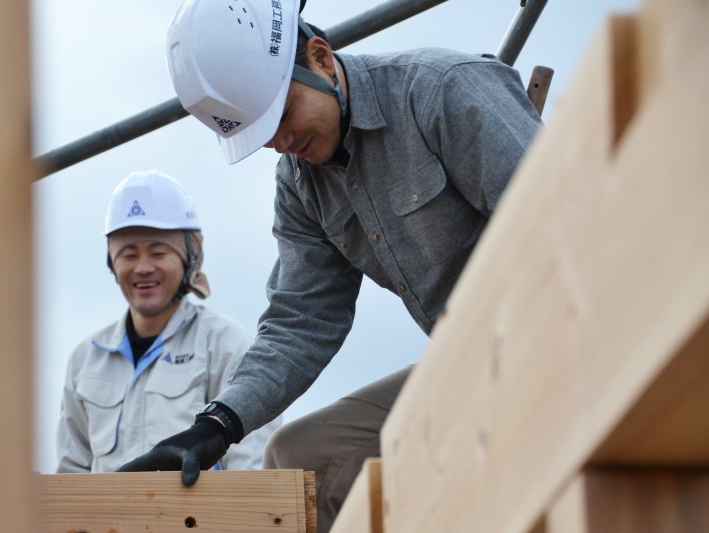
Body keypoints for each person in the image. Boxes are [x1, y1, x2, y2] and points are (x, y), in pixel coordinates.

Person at [120, 1, 542, 530]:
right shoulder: (300, 185)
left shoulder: (441, 90)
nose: (281, 143)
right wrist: (217, 424)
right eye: (263, 136)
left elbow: (558, 218)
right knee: (301, 456)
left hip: (550, 330)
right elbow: (302, 323)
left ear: (320, 58)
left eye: (281, 116)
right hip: (468, 364)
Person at [56, 169, 280, 473]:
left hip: (198, 522)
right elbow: (72, 473)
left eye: (159, 252)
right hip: (106, 522)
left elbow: (250, 468)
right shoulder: (86, 359)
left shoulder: (224, 343)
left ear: (190, 258)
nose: (143, 268)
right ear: (112, 263)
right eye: (128, 254)